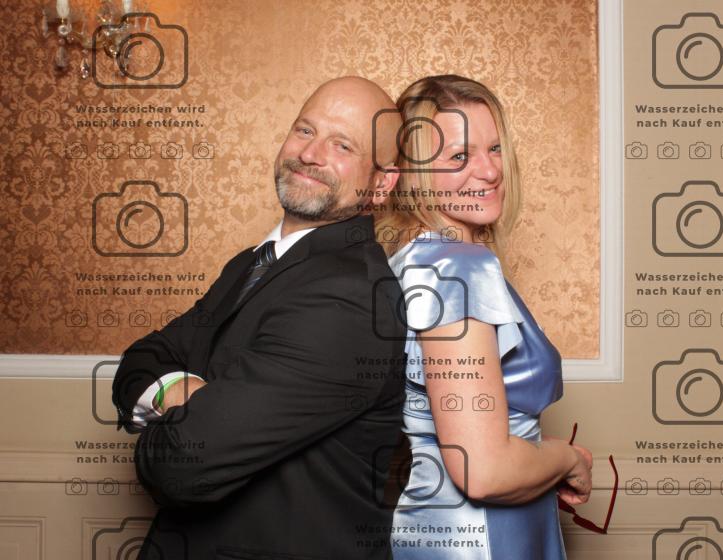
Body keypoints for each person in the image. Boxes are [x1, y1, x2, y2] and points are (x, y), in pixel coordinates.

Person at [111, 76, 408, 560]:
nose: (310, 154)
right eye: (305, 130)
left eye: (342, 145)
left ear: (381, 184)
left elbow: (180, 465)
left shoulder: (352, 297)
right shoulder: (251, 264)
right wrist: (177, 391)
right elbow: (142, 357)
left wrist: (183, 417)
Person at [374, 74, 593, 559]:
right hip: (480, 538)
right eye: (459, 157)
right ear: (413, 174)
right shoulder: (458, 268)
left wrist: (532, 455)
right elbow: (483, 471)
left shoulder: (418, 259)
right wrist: (566, 460)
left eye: (495, 149)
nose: (490, 171)